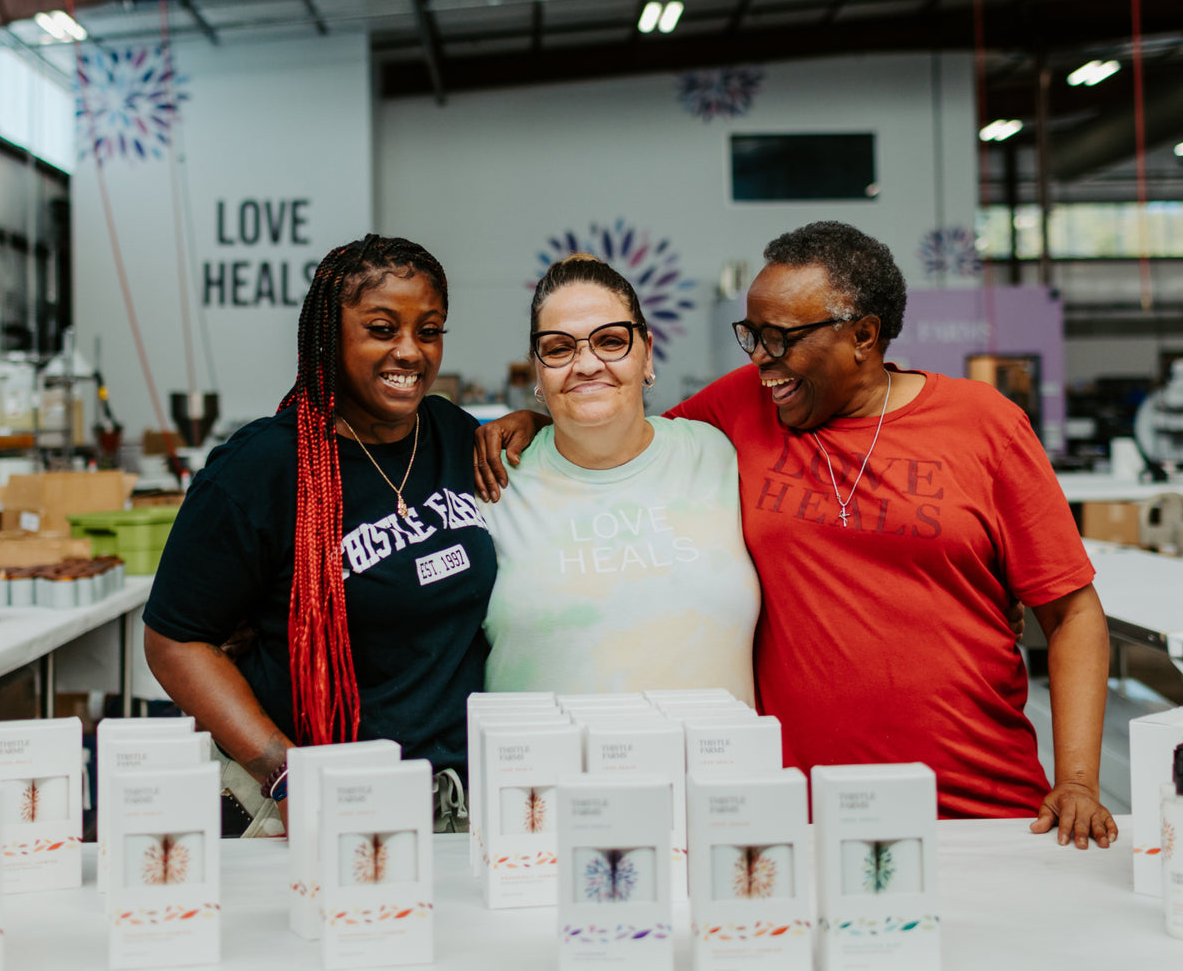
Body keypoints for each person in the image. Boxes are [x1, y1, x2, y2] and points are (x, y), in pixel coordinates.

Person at [476, 222, 1116, 850]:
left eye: (780, 338)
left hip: (977, 800)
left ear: (864, 335)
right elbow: (616, 428)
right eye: (751, 336)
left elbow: (1072, 613)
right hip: (797, 810)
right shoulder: (744, 404)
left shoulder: (984, 425)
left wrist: (1080, 781)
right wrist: (538, 417)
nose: (760, 359)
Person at [145, 236, 495, 833]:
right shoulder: (261, 468)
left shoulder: (455, 434)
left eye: (429, 330)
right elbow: (175, 641)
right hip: (318, 804)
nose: (410, 352)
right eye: (382, 328)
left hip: (457, 802)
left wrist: (537, 419)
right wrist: (284, 772)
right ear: (330, 337)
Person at [480, 254, 760, 702]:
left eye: (611, 341)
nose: (587, 364)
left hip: (717, 766)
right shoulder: (494, 483)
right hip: (544, 769)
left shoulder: (718, 455)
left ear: (647, 353)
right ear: (537, 368)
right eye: (558, 348)